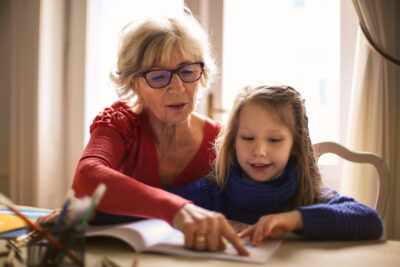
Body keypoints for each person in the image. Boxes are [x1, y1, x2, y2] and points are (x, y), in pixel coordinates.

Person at [69, 12, 247, 255]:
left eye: (187, 71)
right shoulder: (122, 123)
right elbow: (87, 176)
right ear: (134, 84)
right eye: (158, 76)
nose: (178, 88)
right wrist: (176, 209)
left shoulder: (220, 142)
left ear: (201, 74)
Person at [168, 84, 383, 247]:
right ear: (233, 141)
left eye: (274, 140)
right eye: (248, 138)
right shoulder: (213, 192)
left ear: (295, 146)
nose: (259, 151)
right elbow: (150, 210)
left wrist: (296, 219)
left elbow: (370, 221)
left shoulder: (308, 195)